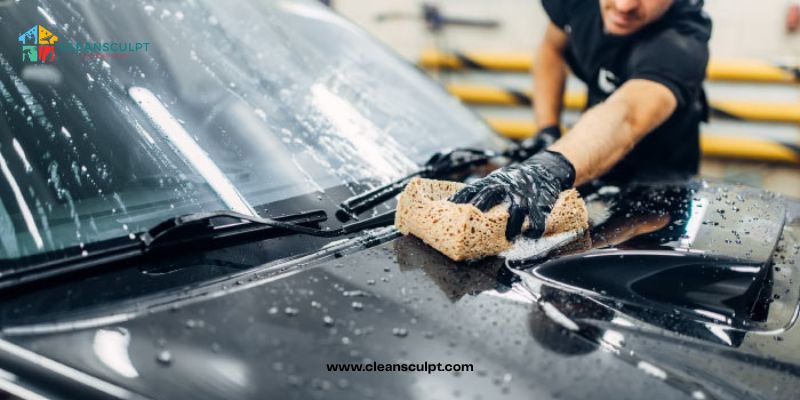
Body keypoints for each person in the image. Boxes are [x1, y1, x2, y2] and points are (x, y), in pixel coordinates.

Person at [451, 0, 712, 240]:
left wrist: (547, 169)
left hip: (657, 189)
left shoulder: (682, 44)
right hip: (587, 152)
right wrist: (547, 130)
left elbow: (628, 116)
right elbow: (552, 48)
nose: (624, 5)